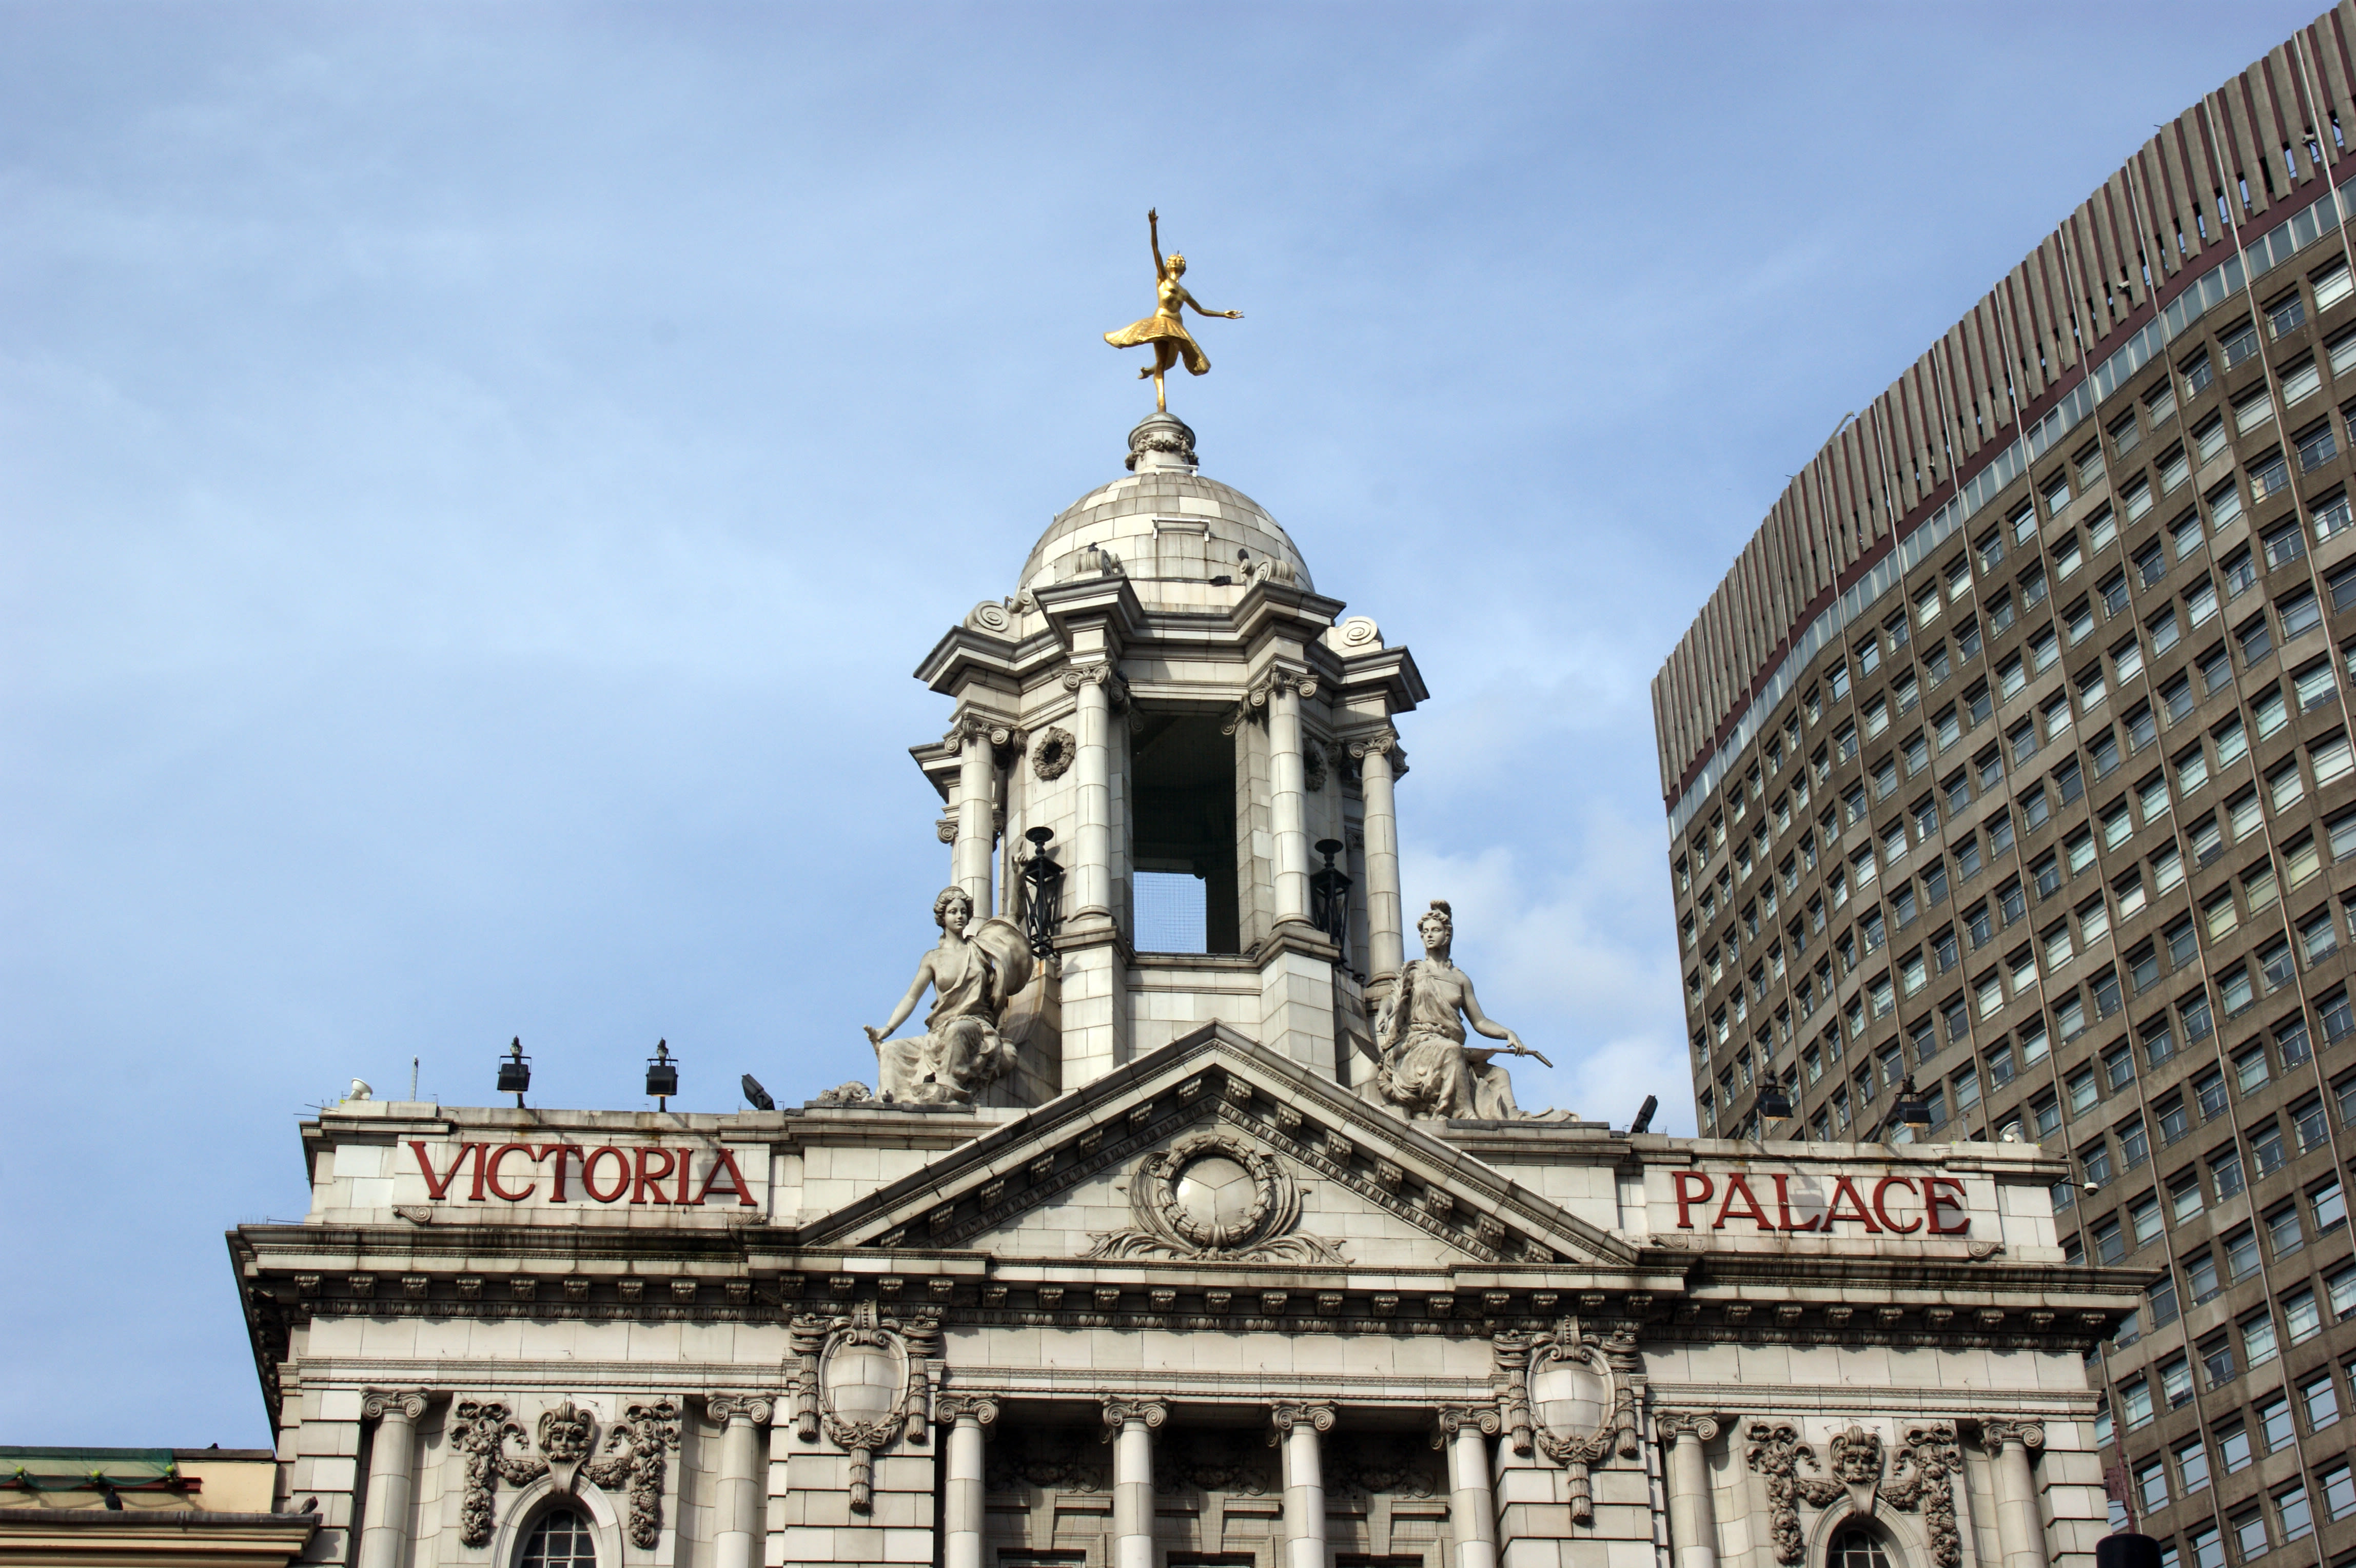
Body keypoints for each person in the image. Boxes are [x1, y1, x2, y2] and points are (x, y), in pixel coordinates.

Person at [1368, 900, 1548, 1120]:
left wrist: (1508, 1034)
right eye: (1425, 932)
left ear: (1448, 935)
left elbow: (1480, 1022)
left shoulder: (1460, 979)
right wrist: (1384, 1013)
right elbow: (1393, 998)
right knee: (1452, 1050)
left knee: (1499, 1075)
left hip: (1448, 1048)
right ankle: (1465, 1114)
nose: (1429, 935)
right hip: (1419, 1046)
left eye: (1435, 930)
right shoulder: (1415, 971)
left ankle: (1514, 1118)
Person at [864, 887, 1028, 1105]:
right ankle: (891, 1099)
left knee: (958, 1030)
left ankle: (948, 1090)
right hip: (939, 1032)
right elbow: (912, 998)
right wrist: (887, 1029)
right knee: (892, 1049)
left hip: (974, 1027)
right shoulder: (933, 958)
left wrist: (1017, 878)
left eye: (963, 912)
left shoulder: (980, 950)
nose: (959, 916)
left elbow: (1013, 920)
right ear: (943, 918)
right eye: (953, 912)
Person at [1103, 208, 1243, 413]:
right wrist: (1153, 227)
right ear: (1169, 266)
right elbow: (1155, 250)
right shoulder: (1163, 279)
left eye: (1180, 261)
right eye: (1173, 260)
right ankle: (1161, 402)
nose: (1177, 261)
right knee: (1163, 363)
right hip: (1162, 322)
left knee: (1171, 364)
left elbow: (1201, 310)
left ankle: (1149, 371)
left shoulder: (1184, 291)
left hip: (1178, 326)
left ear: (1183, 268)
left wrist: (1224, 314)